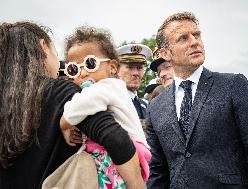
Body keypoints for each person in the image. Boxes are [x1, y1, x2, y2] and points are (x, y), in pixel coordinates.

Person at [0, 22, 142, 189]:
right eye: (73, 68)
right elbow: (115, 138)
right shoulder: (60, 92)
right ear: (43, 47)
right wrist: (138, 185)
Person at [146, 12, 248, 188]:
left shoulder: (233, 85)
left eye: (197, 35)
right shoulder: (155, 107)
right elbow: (158, 170)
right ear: (165, 53)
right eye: (183, 38)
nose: (194, 42)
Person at [59, 26, 150, 188]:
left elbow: (78, 107)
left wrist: (64, 123)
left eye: (90, 63)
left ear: (113, 67)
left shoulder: (110, 86)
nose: (83, 73)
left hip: (125, 157)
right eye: (73, 69)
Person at [117, 44, 152, 120]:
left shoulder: (146, 105)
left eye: (139, 68)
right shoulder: (110, 103)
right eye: (130, 67)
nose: (136, 73)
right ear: (117, 70)